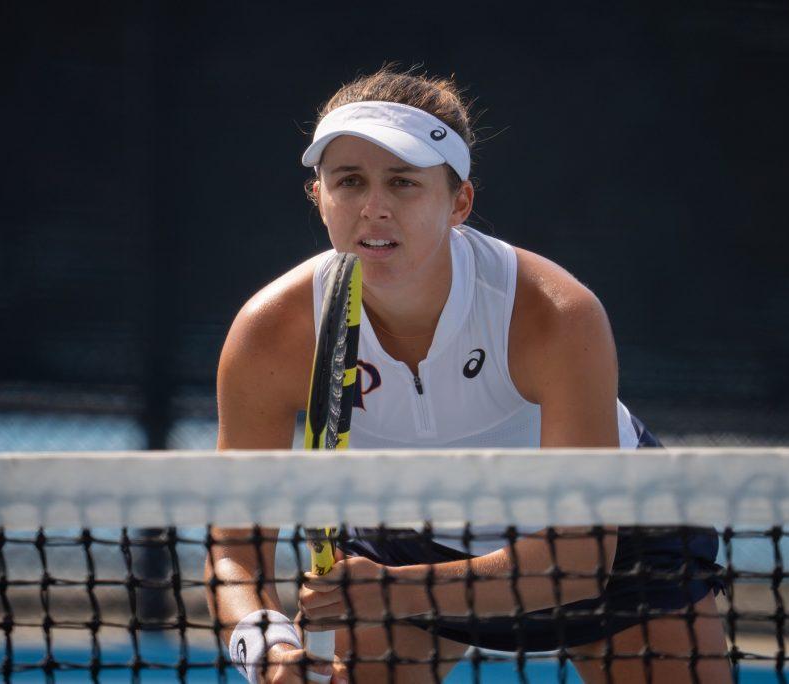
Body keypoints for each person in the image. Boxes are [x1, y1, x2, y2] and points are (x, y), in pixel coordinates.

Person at [207, 65, 729, 683]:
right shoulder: (272, 331)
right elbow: (235, 549)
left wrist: (397, 593)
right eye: (349, 181)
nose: (373, 208)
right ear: (318, 196)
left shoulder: (554, 314)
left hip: (611, 557)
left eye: (403, 183)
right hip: (401, 544)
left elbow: (580, 556)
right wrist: (263, 651)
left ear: (460, 202)